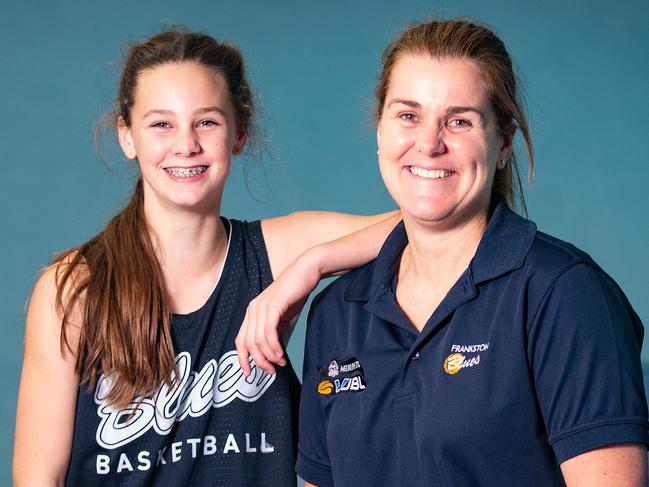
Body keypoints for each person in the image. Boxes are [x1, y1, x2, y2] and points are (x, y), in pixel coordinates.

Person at [13, 30, 399, 486]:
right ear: (127, 136)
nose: (185, 145)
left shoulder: (271, 255)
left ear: (239, 134)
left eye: (207, 122)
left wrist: (313, 264)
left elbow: (423, 224)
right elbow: (38, 478)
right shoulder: (74, 289)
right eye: (161, 124)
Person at [295, 19, 649, 486]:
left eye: (459, 120)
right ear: (379, 131)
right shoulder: (337, 313)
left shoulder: (564, 294)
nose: (428, 143)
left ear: (503, 142)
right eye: (408, 115)